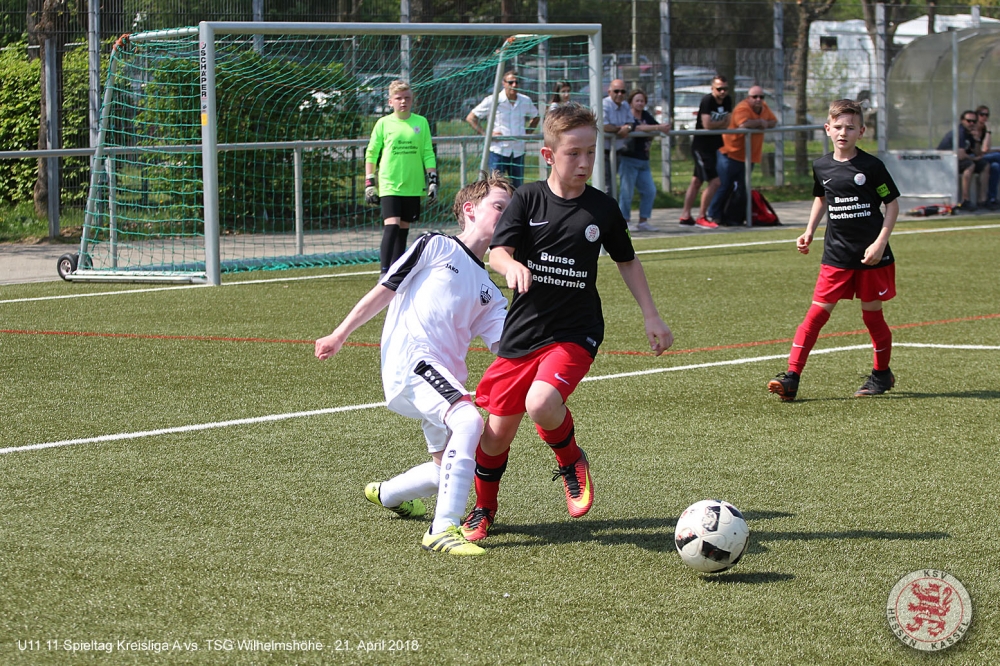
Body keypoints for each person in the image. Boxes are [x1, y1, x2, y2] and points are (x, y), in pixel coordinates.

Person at [459, 103, 674, 542]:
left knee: (541, 403)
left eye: (590, 152)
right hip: (524, 331)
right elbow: (499, 252)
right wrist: (510, 266)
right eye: (573, 153)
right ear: (548, 155)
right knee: (495, 436)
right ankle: (484, 508)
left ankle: (571, 460)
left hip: (576, 330)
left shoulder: (602, 209)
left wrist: (651, 315)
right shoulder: (528, 199)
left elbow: (627, 261)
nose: (584, 162)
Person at [315, 172, 515, 556]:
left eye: (511, 212)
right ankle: (443, 529)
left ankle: (387, 494)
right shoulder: (436, 245)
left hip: (444, 376)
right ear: (470, 210)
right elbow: (385, 290)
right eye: (499, 207)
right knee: (469, 421)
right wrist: (340, 334)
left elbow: (507, 346)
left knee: (444, 469)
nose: (506, 217)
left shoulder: (491, 290)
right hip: (413, 360)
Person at [768, 99, 900, 402]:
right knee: (815, 315)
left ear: (861, 131)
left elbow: (891, 205)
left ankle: (881, 374)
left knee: (872, 317)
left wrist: (880, 242)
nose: (843, 132)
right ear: (827, 129)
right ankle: (792, 377)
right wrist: (809, 231)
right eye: (838, 127)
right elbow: (822, 197)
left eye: (850, 128)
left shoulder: (872, 167)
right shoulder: (822, 166)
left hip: (871, 256)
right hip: (836, 254)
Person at [365, 80, 438, 276]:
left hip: (412, 185)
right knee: (392, 225)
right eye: (398, 98)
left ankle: (395, 274)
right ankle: (384, 273)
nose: (403, 102)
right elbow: (372, 153)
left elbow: (427, 152)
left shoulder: (421, 122)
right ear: (390, 102)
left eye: (407, 98)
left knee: (403, 229)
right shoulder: (383, 123)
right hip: (389, 183)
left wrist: (432, 179)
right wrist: (369, 182)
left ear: (412, 100)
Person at [706, 85, 778, 226]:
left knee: (742, 188)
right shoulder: (742, 108)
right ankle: (713, 215)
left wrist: (763, 123)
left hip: (749, 156)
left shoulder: (764, 107)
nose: (758, 100)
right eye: (754, 97)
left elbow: (773, 121)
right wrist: (760, 122)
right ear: (748, 98)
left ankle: (734, 216)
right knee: (724, 185)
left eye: (761, 97)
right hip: (730, 153)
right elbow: (743, 124)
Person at [466, 70, 540, 188]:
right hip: (498, 151)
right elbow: (471, 118)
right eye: (511, 82)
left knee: (518, 188)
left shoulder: (525, 100)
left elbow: (536, 116)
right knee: (495, 186)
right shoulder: (493, 100)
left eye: (517, 82)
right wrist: (487, 134)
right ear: (503, 83)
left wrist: (527, 132)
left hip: (518, 151)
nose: (514, 85)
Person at [680, 76, 732, 230]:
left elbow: (729, 122)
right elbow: (707, 124)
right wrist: (721, 124)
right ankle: (702, 216)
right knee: (715, 182)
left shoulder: (728, 100)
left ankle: (685, 215)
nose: (722, 92)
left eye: (725, 89)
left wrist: (718, 124)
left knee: (697, 181)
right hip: (701, 147)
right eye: (719, 89)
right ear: (712, 89)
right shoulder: (707, 101)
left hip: (714, 147)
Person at [617, 88, 671, 232]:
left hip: (644, 160)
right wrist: (657, 127)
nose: (640, 103)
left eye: (642, 101)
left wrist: (659, 128)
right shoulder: (628, 116)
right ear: (631, 102)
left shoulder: (646, 115)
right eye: (637, 101)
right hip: (629, 158)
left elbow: (653, 127)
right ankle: (625, 221)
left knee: (649, 191)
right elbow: (637, 128)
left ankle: (643, 221)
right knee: (627, 192)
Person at [936, 110, 989, 212]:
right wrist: (974, 159)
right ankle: (965, 200)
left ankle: (982, 200)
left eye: (974, 121)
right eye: (969, 121)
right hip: (944, 161)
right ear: (962, 121)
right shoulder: (960, 133)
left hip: (957, 161)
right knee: (970, 165)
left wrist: (977, 139)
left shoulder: (970, 133)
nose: (971, 124)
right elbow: (961, 155)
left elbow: (978, 153)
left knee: (985, 165)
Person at [602, 78, 634, 196]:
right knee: (607, 186)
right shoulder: (604, 104)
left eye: (623, 91)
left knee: (621, 185)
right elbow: (604, 126)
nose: (620, 94)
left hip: (619, 151)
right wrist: (621, 130)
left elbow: (631, 123)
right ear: (609, 92)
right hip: (604, 152)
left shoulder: (625, 105)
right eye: (616, 91)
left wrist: (627, 128)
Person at [974, 105, 1000, 209]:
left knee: (995, 166)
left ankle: (991, 198)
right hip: (972, 158)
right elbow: (985, 150)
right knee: (998, 156)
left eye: (987, 115)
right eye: (982, 114)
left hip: (982, 157)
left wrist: (987, 131)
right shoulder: (973, 128)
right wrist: (989, 131)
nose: (984, 117)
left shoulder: (984, 130)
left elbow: (986, 149)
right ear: (976, 115)